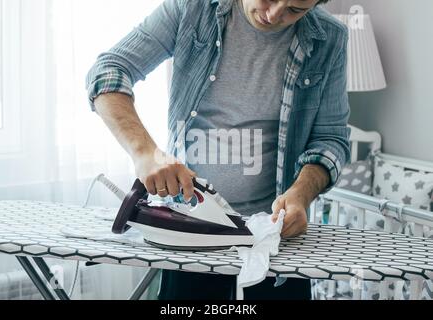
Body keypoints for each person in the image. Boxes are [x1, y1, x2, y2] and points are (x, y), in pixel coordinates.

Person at [86, 0, 350, 300]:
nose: (274, 15)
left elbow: (331, 139)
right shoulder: (192, 9)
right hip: (188, 238)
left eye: (295, 9)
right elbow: (108, 71)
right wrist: (146, 152)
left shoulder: (329, 38)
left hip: (273, 241)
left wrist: (301, 194)